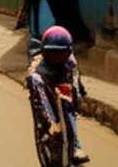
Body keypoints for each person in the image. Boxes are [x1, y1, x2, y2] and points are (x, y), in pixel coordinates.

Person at [27, 26, 90, 165]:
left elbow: (75, 82)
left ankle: (75, 146)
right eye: (53, 53)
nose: (58, 57)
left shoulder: (71, 62)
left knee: (69, 111)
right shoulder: (37, 72)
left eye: (61, 53)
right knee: (48, 117)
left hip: (62, 87)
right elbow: (39, 96)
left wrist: (77, 99)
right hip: (44, 88)